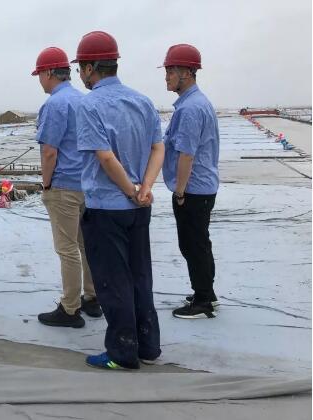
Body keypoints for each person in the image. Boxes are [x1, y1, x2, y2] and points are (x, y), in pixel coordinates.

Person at [74, 31, 164, 370]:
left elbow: (105, 157)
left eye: (81, 68)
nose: (80, 75)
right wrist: (144, 188)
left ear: (90, 68)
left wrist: (129, 190)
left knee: (113, 282)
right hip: (140, 207)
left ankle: (122, 352)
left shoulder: (90, 105)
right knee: (141, 276)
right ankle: (148, 346)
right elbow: (158, 148)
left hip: (107, 208)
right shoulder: (142, 101)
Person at [32, 47, 101, 328]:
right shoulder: (83, 100)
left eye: (40, 75)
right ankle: (92, 298)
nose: (39, 80)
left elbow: (49, 152)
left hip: (63, 187)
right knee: (86, 246)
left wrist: (46, 185)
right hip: (87, 184)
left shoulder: (54, 105)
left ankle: (70, 309)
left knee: (67, 248)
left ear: (49, 73)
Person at [160, 44, 220, 319]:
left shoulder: (190, 109)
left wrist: (180, 191)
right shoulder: (196, 103)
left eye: (170, 71)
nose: (166, 77)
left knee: (192, 244)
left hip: (193, 189)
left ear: (186, 72)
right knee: (199, 242)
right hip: (203, 187)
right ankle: (206, 292)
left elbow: (186, 154)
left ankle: (203, 301)